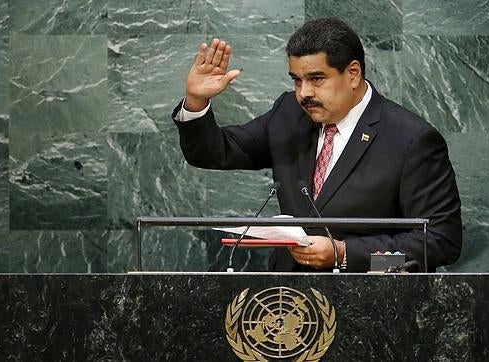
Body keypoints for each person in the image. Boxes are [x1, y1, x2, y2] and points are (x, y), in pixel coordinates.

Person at [172, 17, 462, 272]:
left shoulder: (411, 139)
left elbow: (441, 243)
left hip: (373, 307)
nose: (304, 93)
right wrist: (197, 101)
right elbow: (214, 152)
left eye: (316, 79)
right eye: (297, 80)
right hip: (287, 305)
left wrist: (345, 255)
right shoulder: (289, 114)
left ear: (353, 73)